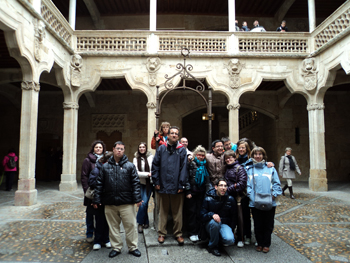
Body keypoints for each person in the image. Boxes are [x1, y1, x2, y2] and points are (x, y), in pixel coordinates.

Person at [93, 141, 142, 258]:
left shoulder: (130, 166)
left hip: (126, 202)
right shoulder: (105, 167)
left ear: (124, 150)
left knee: (130, 226)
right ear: (113, 150)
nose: (119, 150)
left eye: (121, 149)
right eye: (117, 148)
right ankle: (116, 247)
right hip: (110, 202)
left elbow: (135, 183)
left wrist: (137, 199)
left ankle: (133, 247)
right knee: (113, 227)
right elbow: (99, 184)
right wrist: (96, 199)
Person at [152, 126, 187, 245]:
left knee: (178, 213)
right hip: (163, 185)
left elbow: (183, 168)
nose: (174, 135)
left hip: (177, 186)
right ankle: (161, 233)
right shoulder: (162, 148)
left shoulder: (182, 150)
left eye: (176, 134)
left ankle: (178, 234)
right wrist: (156, 182)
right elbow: (155, 166)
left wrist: (181, 185)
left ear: (178, 136)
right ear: (168, 135)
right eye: (172, 133)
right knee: (163, 212)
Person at [246, 147, 282, 253]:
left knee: (268, 223)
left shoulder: (271, 168)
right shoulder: (249, 169)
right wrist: (253, 198)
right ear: (252, 156)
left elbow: (277, 184)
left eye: (260, 154)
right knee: (258, 223)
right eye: (255, 154)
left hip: (270, 201)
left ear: (263, 155)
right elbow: (248, 186)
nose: (258, 156)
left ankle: (266, 244)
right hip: (255, 202)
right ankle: (260, 242)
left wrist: (273, 196)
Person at [200, 178, 237, 256]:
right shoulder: (208, 198)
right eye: (221, 185)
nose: (223, 188)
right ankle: (213, 247)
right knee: (215, 223)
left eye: (225, 186)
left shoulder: (230, 199)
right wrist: (211, 215)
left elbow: (234, 217)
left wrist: (232, 230)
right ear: (216, 187)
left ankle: (218, 240)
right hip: (211, 224)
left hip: (224, 224)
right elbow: (202, 216)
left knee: (230, 240)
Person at [81, 140, 106, 243]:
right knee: (90, 214)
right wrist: (87, 191)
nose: (98, 149)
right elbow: (84, 176)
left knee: (101, 214)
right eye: (96, 147)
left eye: (100, 147)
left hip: (102, 192)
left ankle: (100, 234)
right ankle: (89, 233)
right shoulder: (88, 160)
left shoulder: (106, 160)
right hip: (91, 192)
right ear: (93, 149)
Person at [185, 145, 210, 242]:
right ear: (195, 155)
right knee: (192, 213)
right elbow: (186, 177)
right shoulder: (191, 163)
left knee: (200, 212)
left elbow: (207, 180)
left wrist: (207, 192)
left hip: (201, 192)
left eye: (203, 155)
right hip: (191, 192)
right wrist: (188, 191)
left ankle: (199, 233)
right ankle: (192, 232)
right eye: (199, 155)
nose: (201, 157)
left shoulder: (205, 165)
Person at [224, 150, 248, 248]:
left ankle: (240, 238)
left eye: (230, 157)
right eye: (226, 158)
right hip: (229, 197)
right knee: (231, 218)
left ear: (234, 158)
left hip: (238, 198)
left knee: (240, 219)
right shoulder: (226, 168)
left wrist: (227, 189)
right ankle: (231, 237)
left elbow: (242, 183)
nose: (228, 159)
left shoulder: (239, 168)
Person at [88, 152, 112, 250]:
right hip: (99, 198)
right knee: (99, 221)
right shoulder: (97, 169)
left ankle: (106, 239)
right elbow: (91, 182)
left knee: (107, 221)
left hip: (108, 199)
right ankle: (97, 240)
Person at [133, 142, 154, 233]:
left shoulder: (151, 157)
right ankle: (143, 222)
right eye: (140, 147)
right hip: (140, 183)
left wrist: (150, 175)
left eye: (143, 147)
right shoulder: (135, 159)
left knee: (144, 203)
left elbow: (153, 168)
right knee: (143, 203)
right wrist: (148, 174)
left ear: (146, 148)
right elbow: (136, 172)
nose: (142, 148)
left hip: (150, 184)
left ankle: (143, 222)